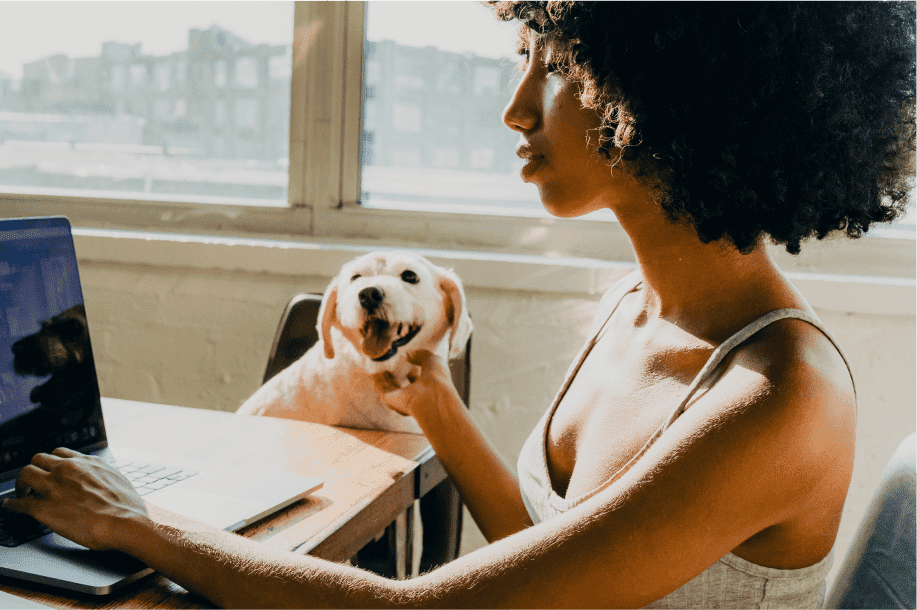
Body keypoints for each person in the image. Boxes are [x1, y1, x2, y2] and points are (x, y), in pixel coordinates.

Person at [4, 2, 915, 608]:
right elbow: (543, 558)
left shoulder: (776, 397)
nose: (516, 109)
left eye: (555, 67)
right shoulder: (632, 310)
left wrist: (140, 524)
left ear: (684, 92)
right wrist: (435, 405)